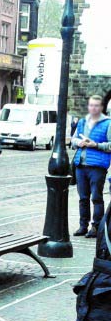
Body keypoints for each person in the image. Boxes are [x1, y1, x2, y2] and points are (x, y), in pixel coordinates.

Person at [72, 95, 111, 238]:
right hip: (80, 165)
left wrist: (96, 145)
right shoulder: (82, 122)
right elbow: (73, 139)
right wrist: (78, 142)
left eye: (96, 105)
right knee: (83, 197)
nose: (93, 108)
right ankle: (83, 226)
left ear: (101, 108)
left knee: (96, 197)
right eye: (91, 105)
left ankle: (96, 227)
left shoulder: (108, 123)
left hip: (97, 166)